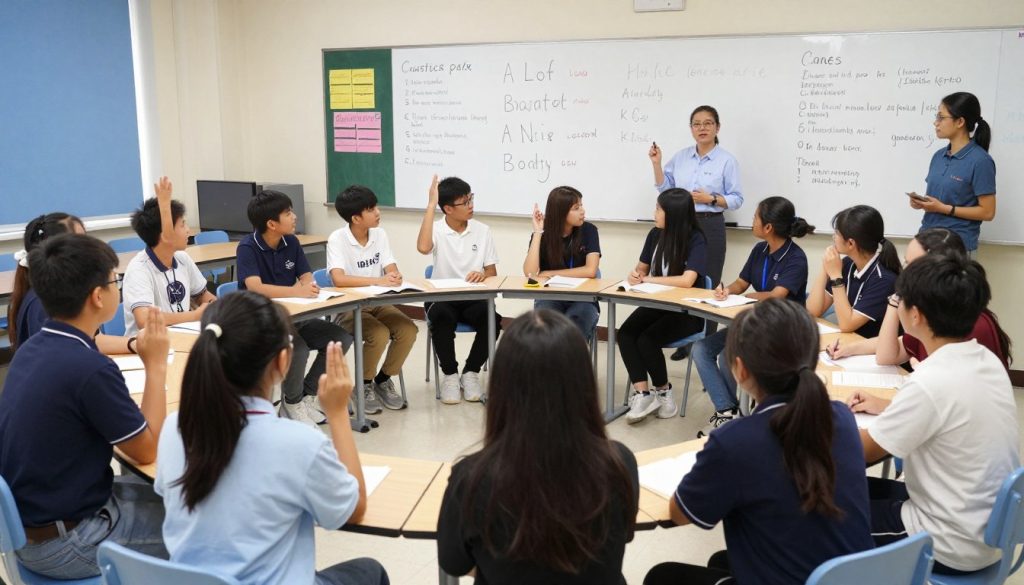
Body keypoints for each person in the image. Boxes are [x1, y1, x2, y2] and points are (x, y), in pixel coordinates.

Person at [154, 291, 388, 585]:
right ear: (283, 361)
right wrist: (338, 414)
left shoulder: (175, 428)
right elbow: (354, 509)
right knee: (370, 571)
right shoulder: (299, 444)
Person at [645, 299, 873, 585]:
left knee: (663, 577)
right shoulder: (841, 417)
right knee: (721, 561)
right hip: (850, 578)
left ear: (740, 370)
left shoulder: (735, 442)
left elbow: (681, 513)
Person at [0, 234, 170, 579]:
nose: (117, 287)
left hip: (27, 530)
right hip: (68, 543)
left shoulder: (31, 349)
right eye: (114, 280)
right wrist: (155, 366)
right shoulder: (90, 369)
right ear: (97, 296)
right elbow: (147, 449)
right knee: (201, 528)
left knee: (175, 496)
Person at [848, 253, 1018, 575]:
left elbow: (863, 449)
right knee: (844, 488)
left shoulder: (930, 379)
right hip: (985, 526)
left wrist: (817, 418)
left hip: (948, 542)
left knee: (821, 519)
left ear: (916, 316)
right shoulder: (984, 360)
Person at [438, 310, 638, 585]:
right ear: (583, 383)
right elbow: (622, 537)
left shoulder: (470, 478)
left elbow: (454, 562)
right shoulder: (619, 462)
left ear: (501, 386)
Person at [692, 196, 814, 436]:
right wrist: (727, 290)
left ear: (768, 227)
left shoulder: (796, 258)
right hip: (755, 323)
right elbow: (741, 282)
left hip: (782, 329)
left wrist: (745, 299)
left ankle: (738, 417)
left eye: (755, 218)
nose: (752, 222)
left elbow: (777, 296)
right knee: (701, 349)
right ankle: (728, 412)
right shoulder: (760, 249)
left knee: (731, 356)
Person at [237, 189, 353, 426]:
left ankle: (308, 396)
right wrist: (297, 291)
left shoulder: (291, 241)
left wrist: (308, 286)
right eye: (288, 213)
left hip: (294, 313)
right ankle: (291, 403)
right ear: (271, 223)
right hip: (263, 321)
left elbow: (306, 274)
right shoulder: (247, 247)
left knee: (340, 338)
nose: (294, 217)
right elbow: (255, 287)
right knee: (297, 348)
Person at [828, 227, 1011, 369]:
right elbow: (887, 355)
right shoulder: (931, 306)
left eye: (914, 264)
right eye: (906, 262)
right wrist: (849, 349)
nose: (906, 271)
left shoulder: (966, 321)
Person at [648, 105, 742, 361]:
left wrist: (710, 198)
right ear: (691, 129)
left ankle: (706, 344)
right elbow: (664, 188)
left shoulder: (726, 161)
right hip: (681, 226)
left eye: (708, 123)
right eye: (697, 124)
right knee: (680, 279)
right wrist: (656, 163)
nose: (702, 128)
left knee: (707, 284)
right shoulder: (680, 157)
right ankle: (683, 340)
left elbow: (736, 199)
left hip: (710, 223)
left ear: (717, 128)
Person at [619, 188, 707, 424]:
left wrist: (648, 280)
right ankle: (643, 394)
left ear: (675, 214)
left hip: (687, 311)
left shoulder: (696, 239)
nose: (654, 213)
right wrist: (636, 275)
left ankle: (664, 392)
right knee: (626, 333)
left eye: (659, 209)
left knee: (647, 339)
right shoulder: (654, 234)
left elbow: (687, 281)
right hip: (658, 304)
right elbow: (641, 268)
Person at [327, 184, 417, 411]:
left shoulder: (380, 234)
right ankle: (363, 386)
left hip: (377, 302)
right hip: (349, 306)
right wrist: (378, 281)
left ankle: (382, 380)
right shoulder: (338, 238)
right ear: (356, 218)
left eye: (376, 206)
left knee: (408, 330)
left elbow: (390, 266)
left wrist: (394, 275)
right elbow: (338, 279)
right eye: (371, 209)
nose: (378, 212)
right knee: (378, 334)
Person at [416, 174, 501, 404]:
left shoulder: (482, 230)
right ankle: (450, 376)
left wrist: (483, 275)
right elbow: (423, 247)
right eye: (464, 202)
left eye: (471, 198)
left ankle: (470, 373)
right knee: (441, 318)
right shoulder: (435, 229)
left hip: (473, 296)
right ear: (448, 209)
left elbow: (492, 274)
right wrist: (431, 205)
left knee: (492, 319)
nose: (471, 206)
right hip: (442, 297)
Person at [6, 213, 135, 354]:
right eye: (81, 241)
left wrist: (134, 344)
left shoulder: (60, 292)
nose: (90, 247)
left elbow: (91, 340)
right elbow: (63, 355)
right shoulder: (44, 305)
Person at [123, 176, 216, 336]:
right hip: (146, 349)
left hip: (181, 338)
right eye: (182, 224)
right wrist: (193, 316)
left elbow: (202, 296)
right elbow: (144, 320)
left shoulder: (182, 259)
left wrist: (218, 308)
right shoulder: (139, 269)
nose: (188, 230)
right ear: (164, 234)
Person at [912, 92, 996, 257]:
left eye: (941, 117)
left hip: (957, 248)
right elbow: (939, 198)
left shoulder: (981, 161)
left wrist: (944, 209)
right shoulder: (938, 156)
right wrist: (921, 202)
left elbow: (988, 212)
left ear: (960, 122)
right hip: (927, 240)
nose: (935, 122)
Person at [806, 205, 900, 338]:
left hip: (872, 352)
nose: (833, 237)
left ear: (850, 243)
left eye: (837, 233)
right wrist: (825, 267)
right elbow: (812, 310)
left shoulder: (884, 279)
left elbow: (847, 324)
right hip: (850, 344)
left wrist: (835, 276)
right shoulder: (847, 264)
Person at [522, 185, 601, 337]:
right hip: (552, 297)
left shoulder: (589, 230)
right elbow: (530, 273)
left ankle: (568, 360)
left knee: (572, 329)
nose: (582, 211)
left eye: (581, 206)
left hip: (582, 298)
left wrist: (550, 273)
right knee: (545, 329)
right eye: (576, 208)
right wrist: (538, 231)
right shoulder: (544, 234)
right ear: (561, 212)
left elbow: (591, 270)